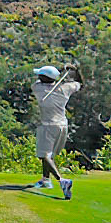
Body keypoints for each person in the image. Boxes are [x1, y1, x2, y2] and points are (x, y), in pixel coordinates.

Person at [30, 64, 83, 199]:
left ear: (43, 78)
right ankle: (45, 180)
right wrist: (75, 71)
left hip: (48, 126)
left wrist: (59, 70)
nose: (38, 77)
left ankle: (61, 181)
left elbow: (40, 81)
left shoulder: (38, 88)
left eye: (40, 75)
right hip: (62, 125)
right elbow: (79, 83)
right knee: (49, 155)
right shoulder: (65, 88)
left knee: (44, 155)